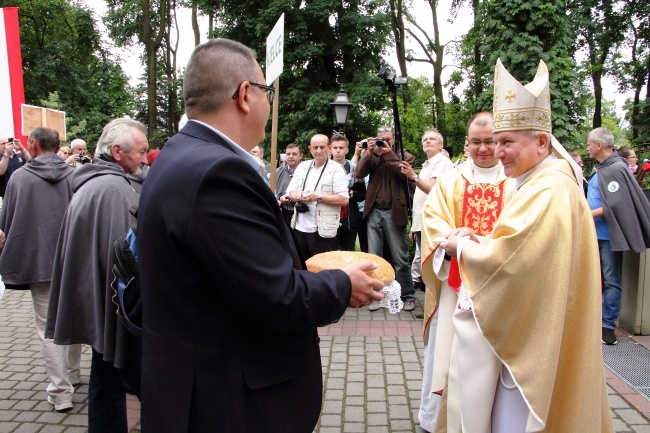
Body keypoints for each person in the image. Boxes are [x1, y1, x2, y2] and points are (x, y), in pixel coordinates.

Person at [137, 38, 385, 433]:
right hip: (231, 401)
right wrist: (342, 283)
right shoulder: (219, 172)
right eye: (268, 91)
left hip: (195, 382)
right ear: (245, 94)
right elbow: (277, 297)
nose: (272, 104)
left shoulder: (179, 153)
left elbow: (237, 275)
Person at [436, 59, 613, 432]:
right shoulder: (542, 179)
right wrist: (480, 241)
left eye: (507, 142)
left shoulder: (548, 188)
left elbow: (512, 261)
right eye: (494, 142)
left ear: (542, 141)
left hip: (533, 340)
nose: (498, 152)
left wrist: (462, 248)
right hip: (537, 319)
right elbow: (526, 250)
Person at [46, 118, 149, 433]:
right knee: (132, 382)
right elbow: (129, 264)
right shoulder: (115, 190)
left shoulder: (92, 183)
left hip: (103, 306)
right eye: (141, 151)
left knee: (105, 381)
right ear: (117, 151)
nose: (146, 158)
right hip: (118, 313)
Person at [417, 112, 512, 432]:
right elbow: (433, 223)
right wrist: (452, 239)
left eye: (490, 142)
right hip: (455, 285)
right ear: (466, 144)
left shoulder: (515, 183)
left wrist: (480, 242)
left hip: (501, 286)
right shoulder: (450, 180)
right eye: (477, 142)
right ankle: (442, 419)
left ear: (499, 143)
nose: (484, 149)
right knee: (449, 349)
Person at [0, 126, 81, 412]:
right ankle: (73, 373)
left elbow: (7, 221)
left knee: (48, 327)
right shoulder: (75, 175)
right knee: (72, 317)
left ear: (33, 145)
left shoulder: (20, 178)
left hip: (40, 263)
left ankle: (60, 392)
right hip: (74, 262)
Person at [586, 128, 650, 345]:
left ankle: (607, 327)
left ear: (599, 145)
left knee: (612, 281)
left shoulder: (615, 168)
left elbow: (614, 203)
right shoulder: (602, 168)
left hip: (608, 235)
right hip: (591, 233)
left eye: (589, 144)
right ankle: (590, 323)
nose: (587, 148)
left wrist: (584, 214)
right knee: (592, 280)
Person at [356, 127, 417, 311]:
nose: (384, 142)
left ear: (394, 139)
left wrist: (387, 152)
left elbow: (402, 173)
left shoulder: (405, 156)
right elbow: (359, 173)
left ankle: (408, 295)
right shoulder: (373, 155)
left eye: (388, 139)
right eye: (382, 139)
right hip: (374, 210)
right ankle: (375, 296)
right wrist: (368, 152)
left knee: (400, 258)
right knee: (374, 257)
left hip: (394, 211)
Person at [400, 128, 454, 298]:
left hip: (433, 222)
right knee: (425, 262)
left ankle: (434, 304)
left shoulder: (442, 162)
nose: (428, 141)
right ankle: (430, 304)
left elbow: (433, 190)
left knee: (431, 264)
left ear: (441, 145)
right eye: (425, 139)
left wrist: (413, 176)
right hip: (423, 223)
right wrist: (414, 226)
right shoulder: (428, 164)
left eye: (432, 139)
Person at [285, 133, 349, 259]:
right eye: (315, 147)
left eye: (322, 147)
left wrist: (318, 197)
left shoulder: (337, 169)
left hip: (322, 231)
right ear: (310, 149)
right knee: (301, 267)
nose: (318, 150)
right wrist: (297, 195)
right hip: (299, 227)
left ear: (329, 148)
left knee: (322, 269)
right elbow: (290, 192)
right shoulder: (302, 167)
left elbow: (344, 199)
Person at [331, 133, 366, 251]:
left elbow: (362, 194)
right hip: (329, 217)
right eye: (335, 148)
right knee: (331, 253)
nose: (338, 151)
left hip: (350, 218)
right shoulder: (324, 168)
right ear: (330, 149)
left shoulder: (354, 168)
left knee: (348, 252)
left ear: (346, 150)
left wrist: (353, 193)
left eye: (341, 148)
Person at [275, 143, 302, 225]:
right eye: (288, 154)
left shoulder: (308, 172)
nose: (290, 156)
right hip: (283, 212)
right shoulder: (278, 172)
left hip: (302, 213)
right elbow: (272, 192)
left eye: (294, 154)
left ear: (301, 156)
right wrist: (280, 198)